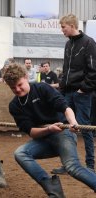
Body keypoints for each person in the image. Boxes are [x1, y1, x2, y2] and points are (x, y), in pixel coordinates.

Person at [3, 63, 96, 197]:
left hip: (63, 134)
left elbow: (65, 108)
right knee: (20, 153)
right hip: (44, 138)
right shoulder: (14, 106)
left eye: (20, 84)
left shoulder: (42, 88)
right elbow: (31, 132)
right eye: (13, 87)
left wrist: (73, 122)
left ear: (26, 77)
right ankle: (53, 188)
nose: (17, 89)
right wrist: (49, 130)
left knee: (72, 167)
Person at [52, 14, 96, 175]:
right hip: (67, 92)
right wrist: (62, 87)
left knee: (85, 127)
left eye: (63, 27)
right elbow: (65, 69)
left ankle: (90, 165)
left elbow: (93, 71)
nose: (62, 30)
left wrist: (83, 89)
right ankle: (68, 163)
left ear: (71, 25)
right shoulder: (68, 45)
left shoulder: (89, 43)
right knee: (65, 128)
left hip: (82, 93)